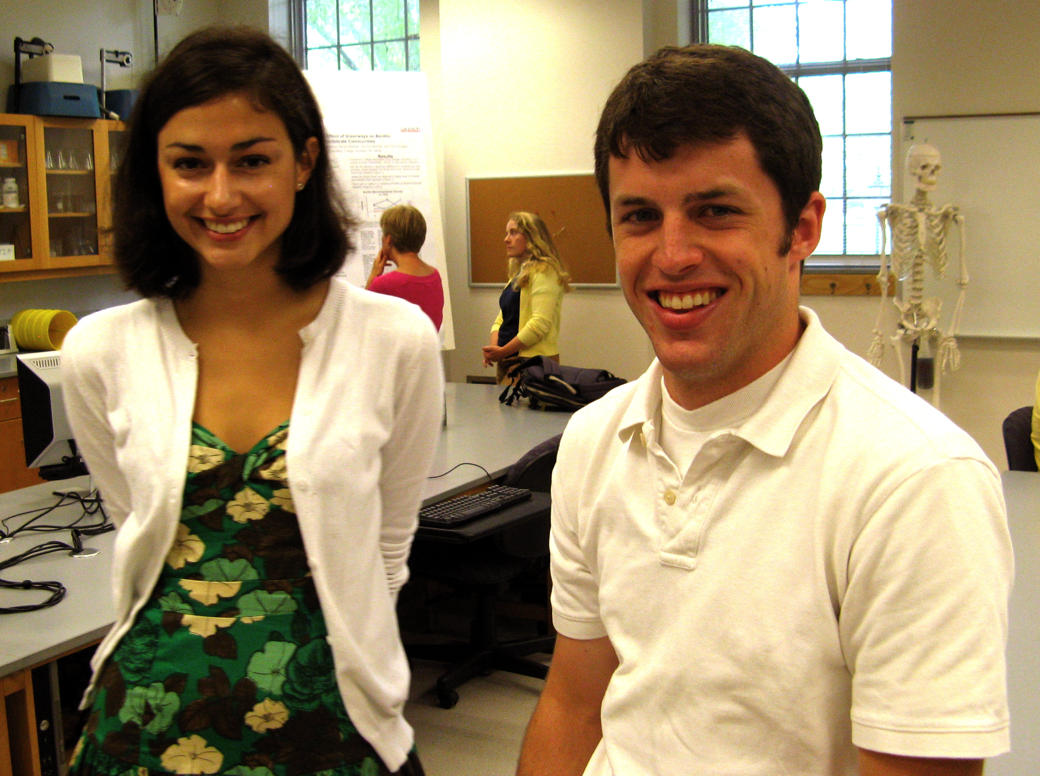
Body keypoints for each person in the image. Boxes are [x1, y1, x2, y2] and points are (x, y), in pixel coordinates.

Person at [517, 44, 1012, 776]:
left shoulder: (916, 483)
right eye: (641, 216)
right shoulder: (594, 439)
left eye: (715, 211)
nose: (673, 255)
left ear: (802, 227)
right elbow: (574, 704)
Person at [61, 26, 442, 776]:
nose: (221, 195)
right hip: (144, 729)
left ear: (303, 162)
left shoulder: (393, 340)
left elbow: (387, 550)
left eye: (252, 160)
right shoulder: (99, 352)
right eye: (189, 164)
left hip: (331, 729)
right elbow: (137, 525)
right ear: (155, 173)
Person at [482, 211, 570, 384]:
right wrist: (495, 349)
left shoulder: (545, 271)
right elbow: (502, 317)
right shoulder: (519, 273)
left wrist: (503, 351)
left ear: (531, 237)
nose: (506, 239)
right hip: (508, 360)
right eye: (507, 233)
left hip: (532, 363)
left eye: (513, 233)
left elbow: (539, 324)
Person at [366, 204, 445, 330]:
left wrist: (373, 276)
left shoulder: (384, 284)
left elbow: (360, 318)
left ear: (388, 240)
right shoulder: (434, 275)